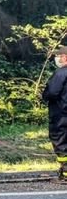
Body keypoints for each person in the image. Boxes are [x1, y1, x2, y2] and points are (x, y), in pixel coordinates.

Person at [42, 45, 67, 180]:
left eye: (59, 56)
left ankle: (65, 171)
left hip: (61, 115)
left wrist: (44, 95)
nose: (57, 58)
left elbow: (52, 92)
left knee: (61, 141)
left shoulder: (61, 73)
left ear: (65, 57)